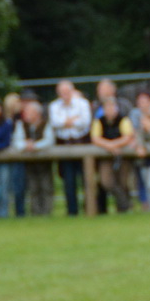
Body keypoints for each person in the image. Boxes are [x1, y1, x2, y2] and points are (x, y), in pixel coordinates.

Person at [49, 80, 92, 215]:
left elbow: (85, 122)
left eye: (67, 92)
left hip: (81, 144)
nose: (65, 95)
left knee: (86, 179)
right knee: (68, 181)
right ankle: (72, 211)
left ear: (72, 91)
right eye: (62, 92)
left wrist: (64, 122)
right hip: (64, 146)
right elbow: (55, 123)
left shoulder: (83, 103)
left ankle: (89, 208)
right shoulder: (54, 106)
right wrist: (72, 119)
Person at [91, 94, 137, 213]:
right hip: (106, 155)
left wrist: (113, 145)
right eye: (107, 107)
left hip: (123, 155)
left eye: (112, 107)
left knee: (123, 182)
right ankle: (125, 204)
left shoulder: (123, 119)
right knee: (106, 181)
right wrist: (110, 146)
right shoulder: (99, 121)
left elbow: (128, 136)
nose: (110, 110)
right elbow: (95, 138)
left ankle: (123, 209)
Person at [13, 98, 56, 217]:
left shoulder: (46, 124)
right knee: (33, 187)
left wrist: (35, 145)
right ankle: (35, 213)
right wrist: (25, 145)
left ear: (37, 113)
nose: (25, 114)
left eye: (28, 112)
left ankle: (47, 212)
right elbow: (17, 142)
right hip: (29, 162)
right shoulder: (21, 124)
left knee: (46, 186)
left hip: (44, 162)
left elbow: (49, 141)